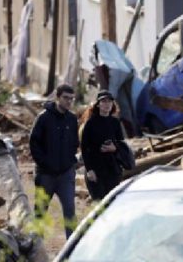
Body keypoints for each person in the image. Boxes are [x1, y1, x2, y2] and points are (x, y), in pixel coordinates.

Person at [29, 84, 79, 239]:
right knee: (40, 212)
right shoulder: (43, 118)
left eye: (71, 99)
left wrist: (70, 162)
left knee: (70, 211)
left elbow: (75, 143)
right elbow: (34, 143)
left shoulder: (72, 119)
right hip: (46, 175)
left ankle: (73, 249)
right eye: (65, 98)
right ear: (57, 97)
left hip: (65, 174)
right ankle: (36, 249)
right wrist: (44, 163)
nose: (68, 102)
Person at [80, 90, 124, 201]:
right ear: (98, 104)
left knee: (112, 203)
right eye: (103, 101)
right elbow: (84, 148)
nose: (107, 104)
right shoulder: (90, 123)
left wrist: (114, 148)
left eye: (109, 101)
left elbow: (121, 144)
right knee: (99, 204)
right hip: (96, 170)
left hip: (113, 170)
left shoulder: (115, 122)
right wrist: (89, 170)